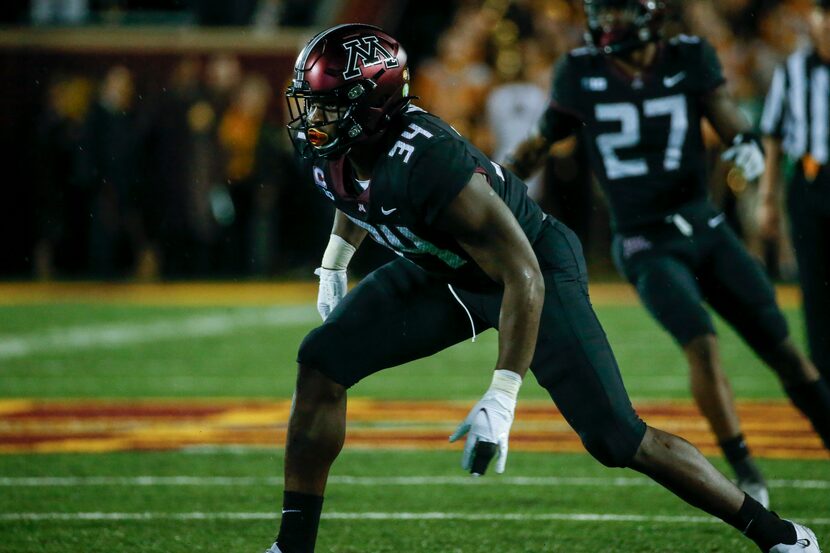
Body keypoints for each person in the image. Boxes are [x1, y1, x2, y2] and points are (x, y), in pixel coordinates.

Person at [263, 22, 821, 553]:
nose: (313, 117)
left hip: (533, 268)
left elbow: (522, 272)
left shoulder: (429, 158)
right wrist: (334, 263)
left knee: (617, 438)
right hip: (447, 269)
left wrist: (502, 394)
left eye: (329, 105)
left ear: (373, 103)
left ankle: (778, 533)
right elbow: (356, 193)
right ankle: (292, 545)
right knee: (322, 360)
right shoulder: (333, 147)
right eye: (310, 102)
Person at [505, 0, 830, 509]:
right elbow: (539, 142)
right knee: (701, 343)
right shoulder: (581, 70)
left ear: (651, 14)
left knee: (782, 347)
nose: (606, 20)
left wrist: (742, 141)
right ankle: (745, 466)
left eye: (618, 11)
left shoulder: (690, 57)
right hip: (642, 239)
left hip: (705, 225)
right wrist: (493, 183)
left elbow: (725, 115)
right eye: (602, 12)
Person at [759, 0, 830, 384]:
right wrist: (768, 198)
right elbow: (773, 134)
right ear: (815, 22)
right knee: (814, 282)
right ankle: (824, 374)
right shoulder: (794, 70)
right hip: (810, 181)